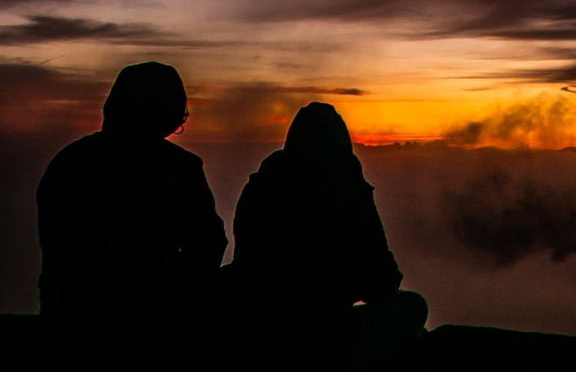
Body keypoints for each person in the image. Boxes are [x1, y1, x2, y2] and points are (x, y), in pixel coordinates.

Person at [36, 61, 227, 364]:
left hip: (74, 324)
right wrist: (179, 293)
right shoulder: (179, 168)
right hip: (153, 326)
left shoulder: (69, 163)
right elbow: (208, 242)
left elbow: (58, 247)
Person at [230, 101, 427, 366]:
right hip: (323, 334)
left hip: (257, 325)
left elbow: (246, 261)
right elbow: (382, 283)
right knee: (413, 306)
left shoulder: (262, 184)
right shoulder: (345, 185)